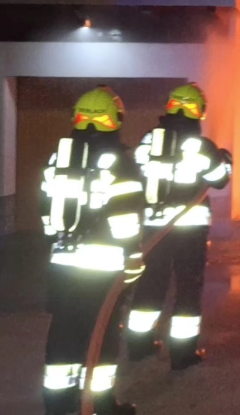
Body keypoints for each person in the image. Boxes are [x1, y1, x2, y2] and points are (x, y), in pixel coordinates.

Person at [40, 86, 145, 415]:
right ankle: (101, 404)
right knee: (102, 335)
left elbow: (46, 209)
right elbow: (124, 217)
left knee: (64, 332)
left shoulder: (60, 158)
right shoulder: (118, 162)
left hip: (62, 263)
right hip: (103, 266)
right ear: (115, 119)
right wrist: (133, 255)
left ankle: (59, 403)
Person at [126, 83, 231, 370]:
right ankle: (182, 354)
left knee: (150, 285)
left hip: (153, 229)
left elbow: (135, 174)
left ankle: (138, 346)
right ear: (199, 111)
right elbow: (220, 179)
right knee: (188, 290)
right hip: (189, 231)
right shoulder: (199, 146)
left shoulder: (148, 140)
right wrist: (225, 160)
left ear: (170, 107)